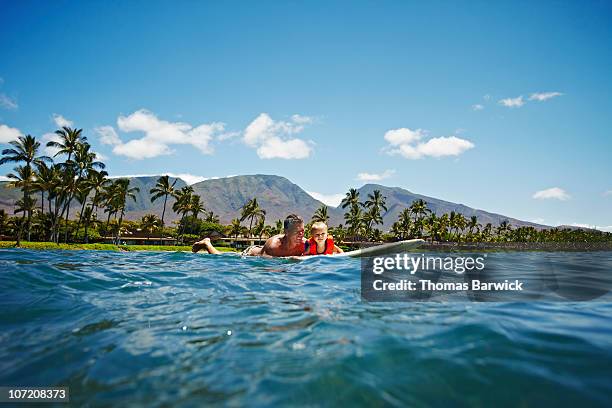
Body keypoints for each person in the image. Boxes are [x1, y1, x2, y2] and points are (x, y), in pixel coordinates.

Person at [192, 214, 307, 257]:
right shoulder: (273, 246)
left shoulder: (305, 244)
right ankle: (207, 244)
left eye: (303, 231)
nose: (301, 235)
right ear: (286, 232)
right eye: (297, 232)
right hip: (250, 254)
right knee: (220, 257)